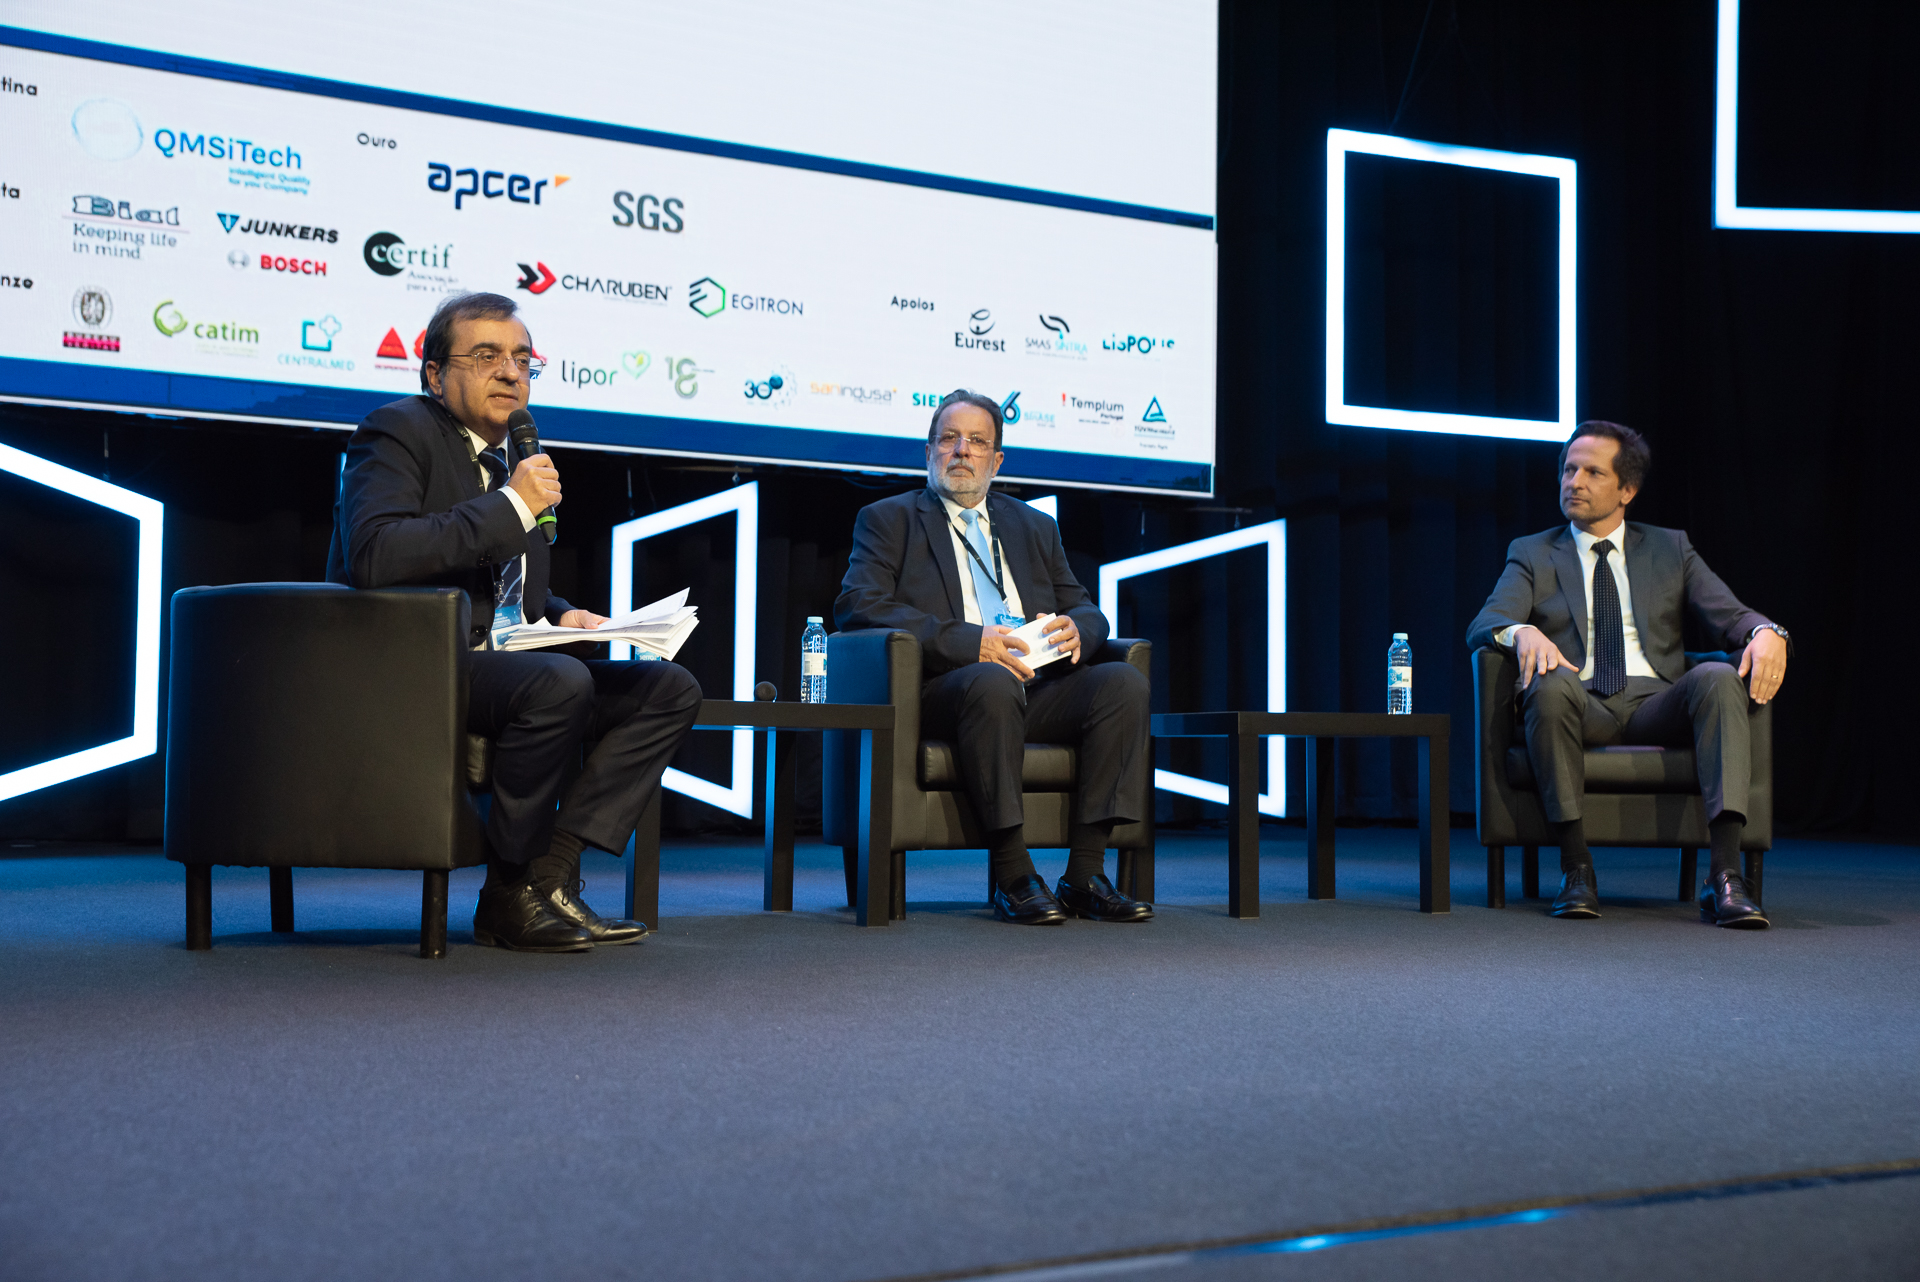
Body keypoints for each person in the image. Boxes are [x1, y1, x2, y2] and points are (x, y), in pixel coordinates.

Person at [327, 292, 701, 952]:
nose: (509, 371)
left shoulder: (511, 461)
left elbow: (500, 583)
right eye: (486, 356)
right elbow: (375, 555)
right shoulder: (397, 431)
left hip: (495, 664)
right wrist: (510, 505)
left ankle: (550, 878)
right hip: (412, 667)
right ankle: (507, 893)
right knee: (557, 682)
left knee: (668, 690)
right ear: (435, 374)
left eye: (522, 359)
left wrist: (562, 614)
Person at [835, 390, 1153, 925]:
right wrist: (970, 642)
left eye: (977, 442)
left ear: (996, 460)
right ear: (929, 452)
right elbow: (858, 604)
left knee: (1123, 683)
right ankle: (1014, 874)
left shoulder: (1034, 526)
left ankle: (1084, 875)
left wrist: (1080, 628)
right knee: (991, 680)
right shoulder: (889, 519)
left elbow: (1084, 606)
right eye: (949, 439)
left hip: (1037, 686)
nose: (962, 450)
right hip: (946, 689)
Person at [1466, 421, 1789, 928]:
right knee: (1547, 686)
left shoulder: (1670, 548)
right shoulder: (1533, 552)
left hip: (1654, 702)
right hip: (1578, 699)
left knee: (1719, 677)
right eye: (1569, 470)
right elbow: (1486, 622)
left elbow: (1732, 616)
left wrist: (1768, 632)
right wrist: (1520, 632)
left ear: (1627, 490)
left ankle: (1725, 877)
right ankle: (1576, 869)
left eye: (1592, 472)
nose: (1574, 482)